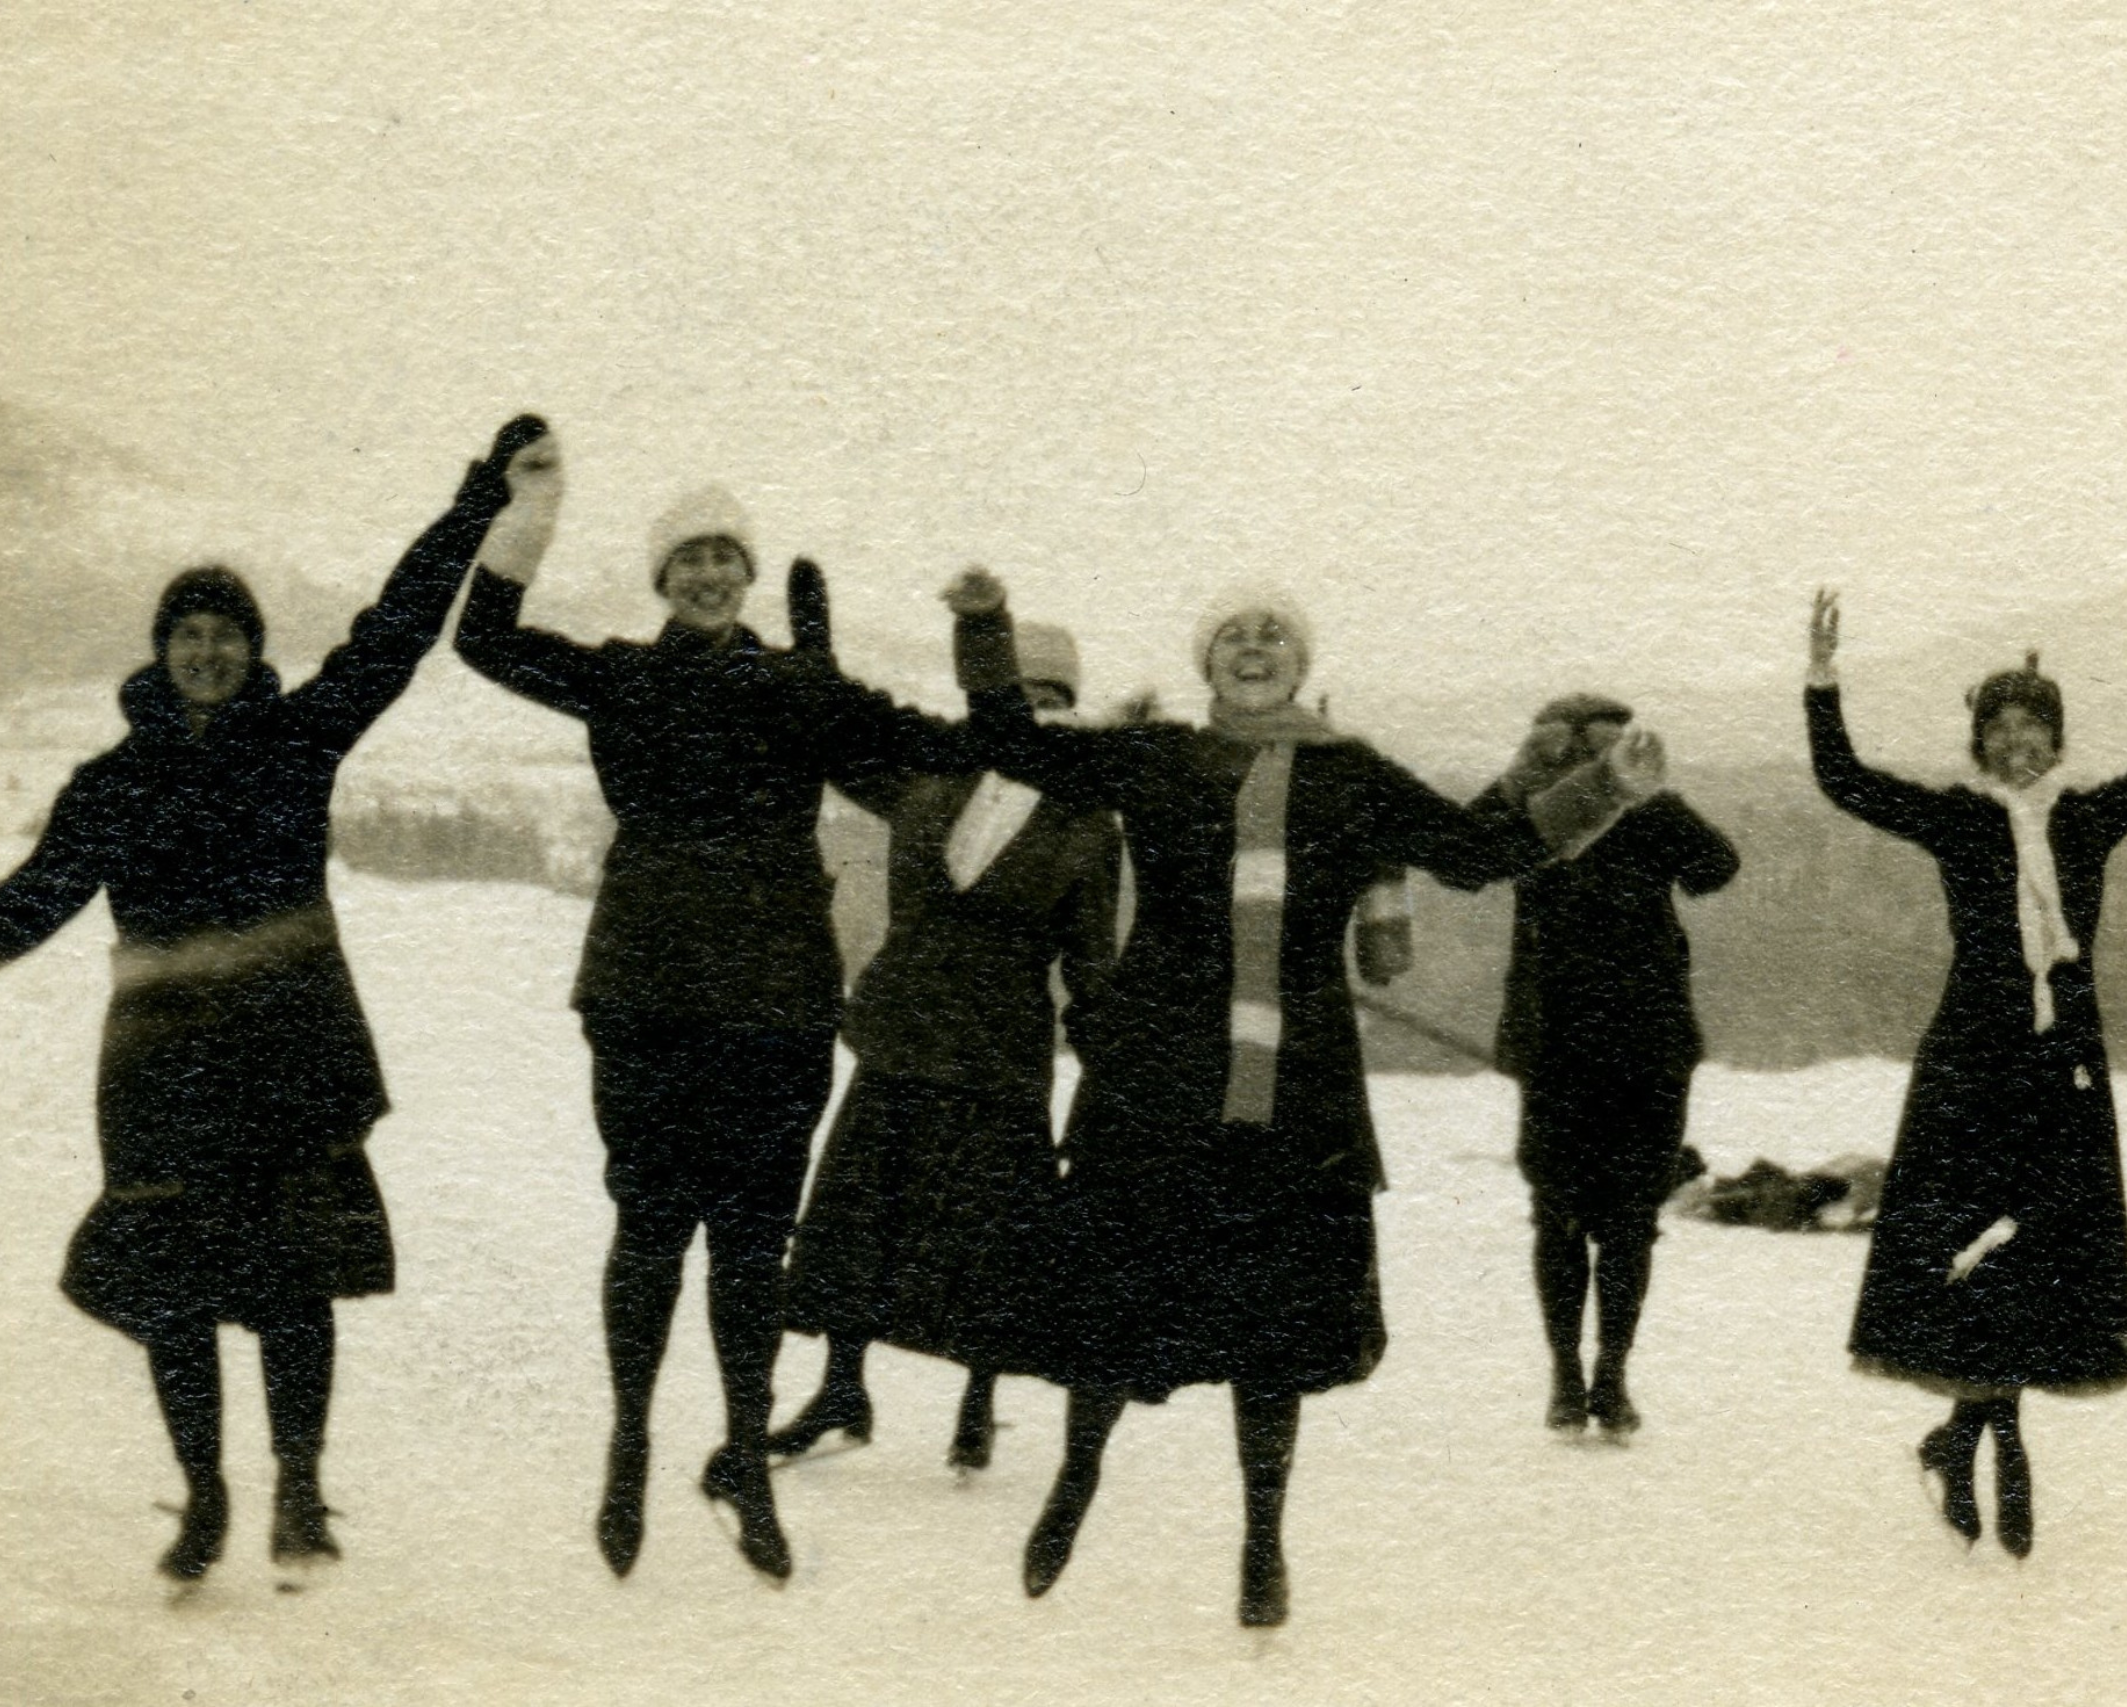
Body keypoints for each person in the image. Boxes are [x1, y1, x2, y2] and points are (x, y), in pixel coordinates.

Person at [939, 568, 1650, 1626]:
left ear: (1301, 663)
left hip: (1296, 1091)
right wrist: (985, 627)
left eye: (1275, 637)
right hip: (1158, 1077)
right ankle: (1077, 1475)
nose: (1255, 647)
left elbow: (1477, 853)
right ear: (1207, 660)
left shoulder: (1351, 774)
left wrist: (1606, 786)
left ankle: (1262, 1540)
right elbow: (1014, 740)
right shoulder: (1158, 755)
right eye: (1235, 634)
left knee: (1269, 1327)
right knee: (1119, 1301)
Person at [0, 415, 547, 1580]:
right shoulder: (109, 785)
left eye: (226, 634)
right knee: (174, 1295)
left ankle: (299, 1491)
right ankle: (206, 1496)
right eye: (189, 634)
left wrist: (476, 503)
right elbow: (30, 902)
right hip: (162, 1072)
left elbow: (395, 631)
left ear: (254, 650)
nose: (207, 652)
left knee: (295, 1284)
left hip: (290, 1054)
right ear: (162, 650)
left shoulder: (296, 740)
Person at [453, 469, 978, 1580]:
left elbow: (923, 765)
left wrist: (1031, 725)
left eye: (724, 557)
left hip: (777, 1000)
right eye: (687, 558)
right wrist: (525, 525)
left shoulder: (798, 687)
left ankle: (744, 1453)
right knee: (648, 1227)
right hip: (645, 991)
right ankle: (630, 1445)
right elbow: (483, 641)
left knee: (750, 1241)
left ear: (747, 575)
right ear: (661, 577)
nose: (706, 574)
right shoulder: (623, 675)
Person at [1804, 589, 2127, 1557]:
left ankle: (1963, 1436)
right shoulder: (1958, 820)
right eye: (1998, 729)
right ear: (1979, 743)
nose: (2015, 744)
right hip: (1970, 1061)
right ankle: (1999, 1439)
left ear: (2056, 737)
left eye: (2031, 727)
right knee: (1973, 1250)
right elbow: (1843, 780)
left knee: (2035, 1254)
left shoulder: (2086, 818)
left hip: (2062, 1063)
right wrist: (1822, 677)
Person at [770, 621, 1121, 1471]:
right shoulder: (928, 776)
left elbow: (1091, 959)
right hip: (902, 1030)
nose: (1033, 713)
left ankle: (979, 1402)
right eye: (1020, 694)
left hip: (999, 1057)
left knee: (994, 1240)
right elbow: (833, 746)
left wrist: (1118, 1062)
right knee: (857, 1219)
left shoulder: (1087, 824)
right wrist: (813, 664)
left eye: (1052, 698)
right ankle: (842, 1387)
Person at [1480, 694, 1739, 1436]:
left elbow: (1716, 865)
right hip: (1560, 1044)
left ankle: (1607, 1375)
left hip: (1644, 1045)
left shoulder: (1647, 812)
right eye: (1564, 748)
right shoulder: (1530, 811)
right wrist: (1522, 774)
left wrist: (1647, 791)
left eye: (1597, 747)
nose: (1583, 762)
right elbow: (1466, 852)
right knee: (1563, 1216)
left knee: (1624, 1220)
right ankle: (1571, 1376)